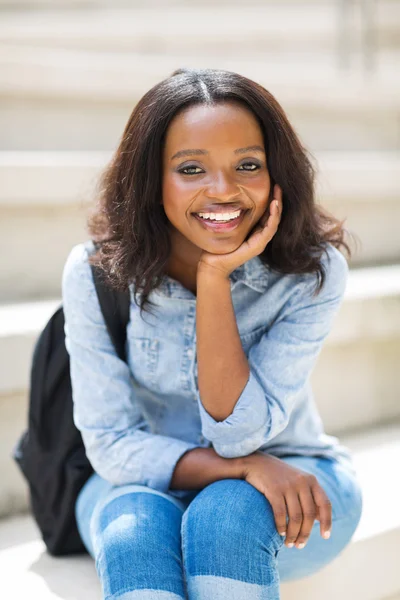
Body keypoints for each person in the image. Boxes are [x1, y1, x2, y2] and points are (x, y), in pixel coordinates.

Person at [62, 67, 363, 599]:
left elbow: (238, 431)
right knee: (135, 534)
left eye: (247, 164)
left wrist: (213, 276)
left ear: (277, 175)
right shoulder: (95, 271)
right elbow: (110, 442)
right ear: (152, 180)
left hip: (292, 478)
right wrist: (247, 467)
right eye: (191, 168)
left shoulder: (311, 272)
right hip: (139, 481)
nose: (222, 190)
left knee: (223, 519)